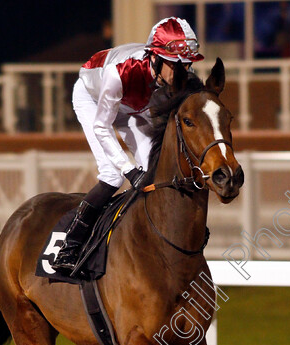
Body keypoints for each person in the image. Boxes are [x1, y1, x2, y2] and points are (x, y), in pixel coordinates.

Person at [51, 17, 204, 272]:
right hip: (94, 98)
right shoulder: (121, 73)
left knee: (154, 172)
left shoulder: (167, 75)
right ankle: (70, 245)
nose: (183, 74)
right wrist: (129, 170)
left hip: (136, 104)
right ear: (155, 57)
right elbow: (102, 126)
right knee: (113, 175)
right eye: (177, 66)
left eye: (187, 66)